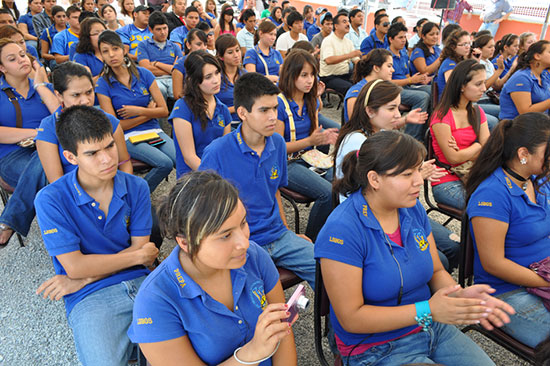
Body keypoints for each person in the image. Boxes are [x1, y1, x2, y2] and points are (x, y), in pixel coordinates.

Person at [316, 129, 514, 366]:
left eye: (418, 171)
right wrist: (428, 309)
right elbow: (351, 318)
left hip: (428, 327)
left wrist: (460, 296)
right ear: (374, 179)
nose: (419, 181)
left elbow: (437, 271)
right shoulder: (343, 229)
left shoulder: (410, 209)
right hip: (375, 347)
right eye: (407, 174)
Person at [128, 170, 298, 365]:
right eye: (225, 235)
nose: (243, 242)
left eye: (243, 223)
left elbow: (283, 332)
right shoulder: (156, 300)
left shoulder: (254, 256)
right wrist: (252, 352)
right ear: (185, 243)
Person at [34, 105, 159, 366]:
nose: (107, 159)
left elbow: (142, 256)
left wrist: (83, 277)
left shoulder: (136, 187)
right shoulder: (51, 199)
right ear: (71, 157)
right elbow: (77, 265)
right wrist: (134, 256)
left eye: (110, 146)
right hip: (91, 296)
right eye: (92, 153)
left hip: (140, 282)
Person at [199, 71, 316, 288]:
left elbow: (275, 192)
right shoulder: (217, 152)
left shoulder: (278, 143)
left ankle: (341, 321)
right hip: (241, 242)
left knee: (328, 268)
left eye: (275, 109)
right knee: (247, 294)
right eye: (264, 110)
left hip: (278, 236)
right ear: (242, 113)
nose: (273, 116)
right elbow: (205, 211)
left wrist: (288, 231)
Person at [466, 112, 550, 348]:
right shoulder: (492, 193)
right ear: (524, 154)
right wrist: (543, 280)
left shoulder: (536, 180)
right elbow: (493, 263)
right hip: (508, 290)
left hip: (541, 273)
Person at [95, 30, 174, 193]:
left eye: (115, 49)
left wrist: (137, 111)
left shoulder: (144, 74)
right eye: (105, 51)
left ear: (124, 50)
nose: (111, 55)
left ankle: (183, 197)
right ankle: (137, 196)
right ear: (102, 56)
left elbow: (164, 111)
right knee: (164, 163)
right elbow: (116, 127)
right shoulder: (103, 84)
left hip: (154, 131)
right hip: (127, 137)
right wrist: (147, 112)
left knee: (180, 160)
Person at [0, 39, 59, 247]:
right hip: (12, 155)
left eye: (23, 55)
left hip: (50, 149)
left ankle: (10, 219)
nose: (21, 60)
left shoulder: (46, 88)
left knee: (50, 168)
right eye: (12, 59)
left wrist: (41, 85)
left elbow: (64, 118)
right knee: (52, 173)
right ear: (1, 67)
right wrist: (38, 133)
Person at [275, 49, 338, 241]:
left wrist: (322, 138)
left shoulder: (310, 100)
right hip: (288, 163)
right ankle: (312, 240)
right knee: (327, 193)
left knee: (345, 182)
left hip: (309, 157)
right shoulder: (279, 104)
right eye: (304, 75)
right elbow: (277, 149)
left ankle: (334, 232)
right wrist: (311, 141)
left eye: (312, 74)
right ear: (290, 75)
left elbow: (314, 133)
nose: (310, 80)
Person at [36, 62, 132, 183]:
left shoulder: (109, 120)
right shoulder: (49, 128)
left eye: (89, 92)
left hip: (112, 187)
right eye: (76, 95)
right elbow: (57, 181)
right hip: (74, 193)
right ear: (59, 95)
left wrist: (124, 190)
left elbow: (124, 162)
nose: (85, 101)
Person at [430, 59, 491, 211]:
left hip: (472, 173)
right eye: (478, 84)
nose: (484, 88)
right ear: (462, 86)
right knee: (486, 208)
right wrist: (477, 145)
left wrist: (464, 153)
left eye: (484, 83)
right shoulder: (441, 115)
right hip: (446, 180)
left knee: (501, 205)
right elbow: (453, 158)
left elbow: (489, 151)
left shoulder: (477, 112)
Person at [170, 50, 231, 177]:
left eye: (217, 73)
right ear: (195, 81)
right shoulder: (182, 108)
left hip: (218, 175)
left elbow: (226, 150)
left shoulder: (223, 109)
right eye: (208, 77)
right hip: (192, 178)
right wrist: (217, 179)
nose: (216, 80)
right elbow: (189, 157)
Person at [386, 22, 431, 141]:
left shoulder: (404, 54)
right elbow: (387, 82)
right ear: (391, 39)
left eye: (405, 37)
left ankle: (426, 131)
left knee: (430, 90)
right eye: (400, 37)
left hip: (406, 86)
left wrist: (418, 79)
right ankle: (412, 137)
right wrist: (411, 80)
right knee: (422, 97)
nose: (404, 40)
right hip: (392, 89)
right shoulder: (386, 56)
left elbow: (407, 76)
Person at [499, 40, 550, 120]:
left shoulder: (543, 75)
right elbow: (525, 112)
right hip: (517, 126)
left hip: (538, 123)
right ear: (537, 56)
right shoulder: (522, 77)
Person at [137, 11, 182, 100]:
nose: (163, 32)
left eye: (165, 28)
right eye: (158, 29)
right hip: (154, 80)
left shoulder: (175, 47)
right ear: (150, 29)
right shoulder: (143, 45)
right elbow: (146, 70)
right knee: (160, 89)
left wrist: (157, 64)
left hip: (173, 80)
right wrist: (171, 69)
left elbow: (180, 71)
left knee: (180, 92)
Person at [344, 49, 394, 122]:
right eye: (389, 66)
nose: (393, 70)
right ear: (376, 68)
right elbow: (355, 125)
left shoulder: (381, 87)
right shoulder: (356, 93)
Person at [319, 12, 361, 96]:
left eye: (348, 21)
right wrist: (349, 55)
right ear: (336, 26)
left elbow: (356, 60)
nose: (348, 24)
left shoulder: (348, 42)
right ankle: (348, 108)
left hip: (345, 75)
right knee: (351, 90)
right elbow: (329, 60)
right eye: (344, 22)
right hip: (329, 77)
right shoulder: (329, 40)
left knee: (361, 86)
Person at [216, 34, 245, 123]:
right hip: (223, 123)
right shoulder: (216, 77)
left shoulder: (245, 74)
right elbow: (212, 110)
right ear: (221, 56)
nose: (236, 55)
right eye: (230, 52)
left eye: (237, 50)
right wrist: (236, 108)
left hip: (245, 122)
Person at [171, 28, 207, 99]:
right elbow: (177, 95)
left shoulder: (209, 60)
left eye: (205, 44)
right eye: (198, 44)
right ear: (188, 45)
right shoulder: (180, 65)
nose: (203, 48)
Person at [435, 29, 470, 102]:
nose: (468, 47)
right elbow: (453, 87)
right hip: (450, 104)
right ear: (453, 47)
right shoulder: (449, 63)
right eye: (464, 44)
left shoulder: (461, 61)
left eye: (469, 43)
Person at [73, 17, 106, 83]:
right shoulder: (80, 57)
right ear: (87, 37)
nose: (101, 36)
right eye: (96, 33)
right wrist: (107, 73)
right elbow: (86, 83)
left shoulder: (113, 52)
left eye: (103, 32)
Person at [38, 4, 64, 70]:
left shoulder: (70, 30)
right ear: (53, 17)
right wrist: (58, 57)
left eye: (64, 16)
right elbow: (44, 54)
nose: (62, 19)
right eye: (58, 16)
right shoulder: (47, 32)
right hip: (55, 59)